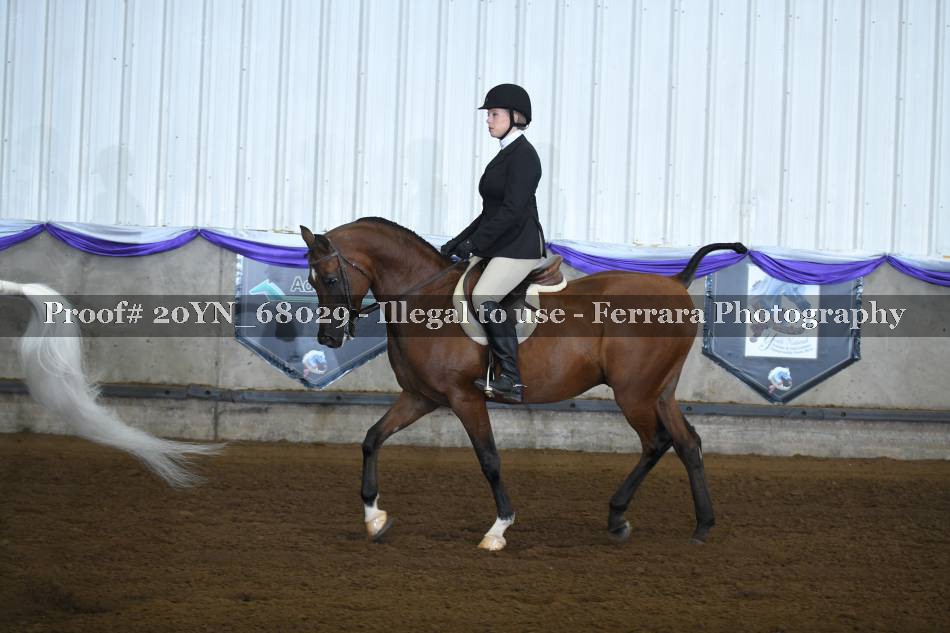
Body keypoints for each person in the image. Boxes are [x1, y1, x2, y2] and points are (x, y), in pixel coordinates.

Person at [440, 83, 546, 403]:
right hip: (501, 242)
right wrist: (458, 241)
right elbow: (490, 212)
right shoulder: (503, 155)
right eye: (488, 114)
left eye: (494, 114)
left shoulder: (525, 157)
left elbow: (512, 212)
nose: (488, 120)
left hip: (519, 246)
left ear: (516, 117)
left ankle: (511, 378)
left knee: (484, 297)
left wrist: (474, 244)